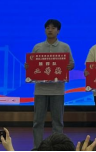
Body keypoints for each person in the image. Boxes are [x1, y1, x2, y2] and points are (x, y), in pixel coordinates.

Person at [26, 19, 75, 150]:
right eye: (47, 28)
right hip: (40, 90)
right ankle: (37, 148)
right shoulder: (37, 47)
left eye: (53, 28)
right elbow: (32, 66)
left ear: (58, 31)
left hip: (57, 90)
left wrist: (70, 66)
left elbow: (71, 64)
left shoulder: (65, 47)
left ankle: (57, 148)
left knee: (58, 122)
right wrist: (28, 67)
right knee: (38, 122)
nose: (50, 30)